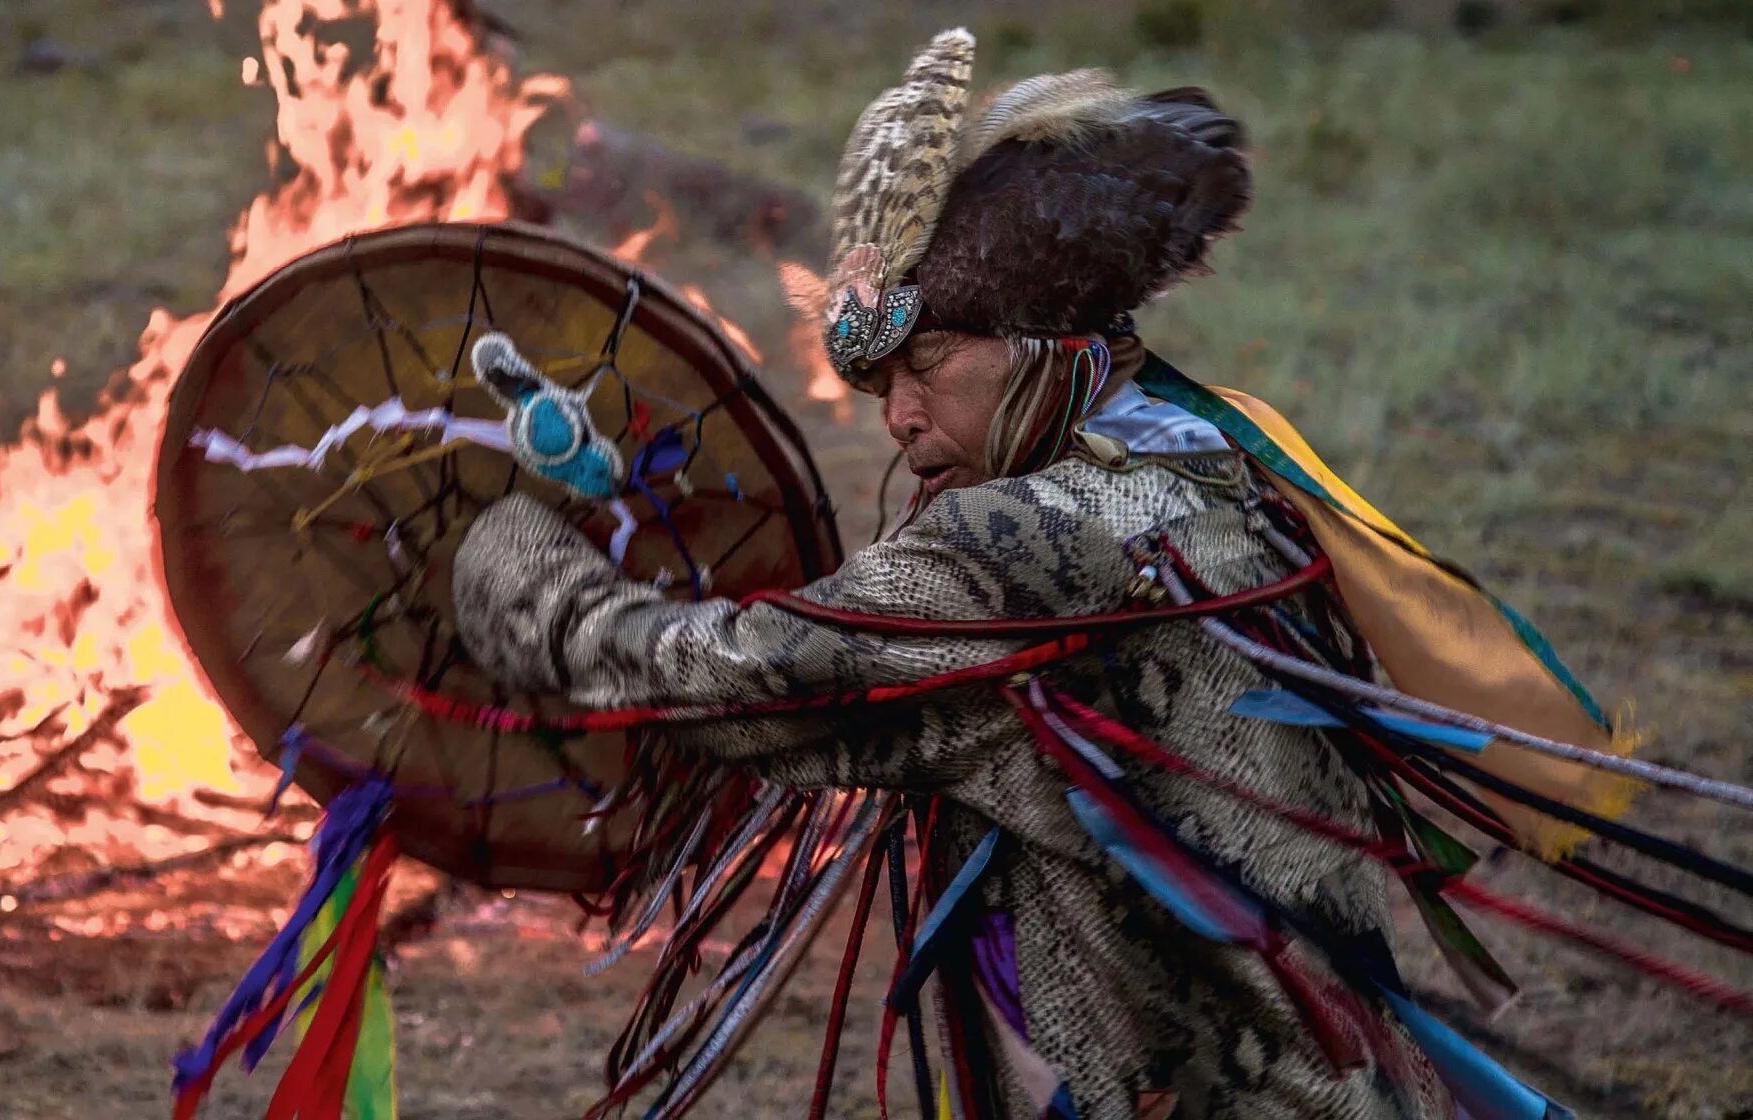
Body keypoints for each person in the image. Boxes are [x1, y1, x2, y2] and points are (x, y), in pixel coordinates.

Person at [452, 29, 1627, 1120]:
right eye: (880, 387)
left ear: (1051, 346)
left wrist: (518, 568)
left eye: (929, 363)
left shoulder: (1015, 547)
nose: (901, 418)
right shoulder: (1216, 458)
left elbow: (747, 681)